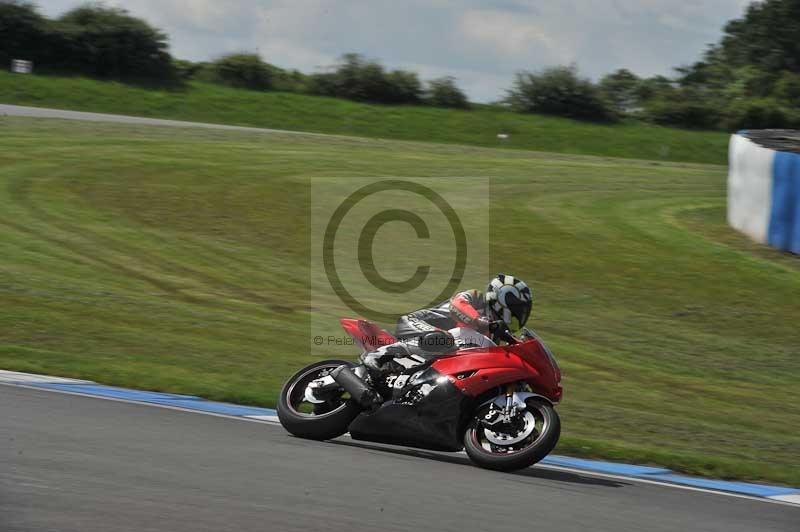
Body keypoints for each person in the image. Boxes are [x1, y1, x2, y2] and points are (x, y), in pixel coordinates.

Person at [332, 274, 533, 406]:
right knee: (445, 339)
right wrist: (479, 321)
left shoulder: (493, 335)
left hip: (437, 351)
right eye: (516, 309)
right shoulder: (477, 298)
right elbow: (457, 305)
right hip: (417, 324)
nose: (516, 316)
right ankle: (378, 355)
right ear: (503, 297)